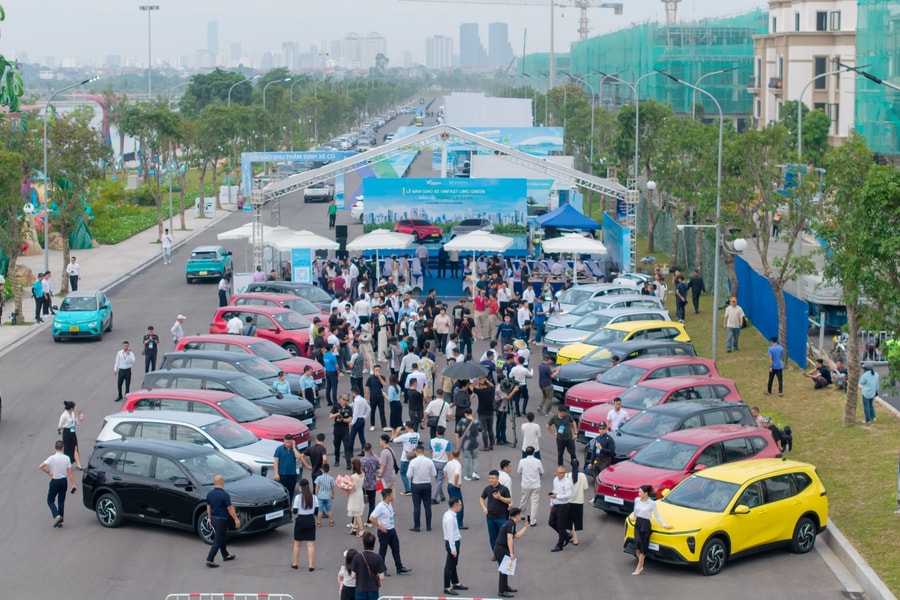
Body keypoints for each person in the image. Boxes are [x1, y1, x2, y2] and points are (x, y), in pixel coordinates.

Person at [368, 488, 413, 575]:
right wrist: (380, 527)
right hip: (384, 532)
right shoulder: (380, 506)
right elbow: (372, 518)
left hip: (392, 529)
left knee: (396, 549)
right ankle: (382, 569)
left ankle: (399, 567)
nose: (393, 496)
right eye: (392, 495)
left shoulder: (389, 504)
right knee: (383, 551)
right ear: (388, 496)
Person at [632, 484, 673, 575]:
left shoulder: (652, 503)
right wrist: (634, 517)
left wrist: (664, 525)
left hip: (645, 524)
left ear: (646, 493)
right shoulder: (637, 500)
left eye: (640, 492)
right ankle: (641, 564)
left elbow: (657, 515)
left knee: (643, 546)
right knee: (637, 545)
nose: (639, 493)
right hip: (638, 523)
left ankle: (638, 568)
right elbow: (635, 510)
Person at [39, 440, 76, 528]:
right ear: (62, 448)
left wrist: (48, 472)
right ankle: (60, 521)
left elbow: (41, 466)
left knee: (50, 500)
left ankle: (57, 516)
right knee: (61, 501)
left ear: (55, 448)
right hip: (63, 481)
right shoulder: (66, 458)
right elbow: (70, 472)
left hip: (55, 481)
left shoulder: (52, 458)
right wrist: (73, 484)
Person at [205, 474, 239, 567]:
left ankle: (225, 555)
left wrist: (209, 518)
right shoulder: (224, 495)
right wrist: (236, 519)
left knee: (222, 537)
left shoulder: (210, 494)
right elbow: (230, 508)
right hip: (222, 519)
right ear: (222, 483)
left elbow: (208, 507)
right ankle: (210, 559)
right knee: (218, 539)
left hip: (214, 519)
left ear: (214, 483)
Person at [494, 507, 529, 598]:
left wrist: (525, 528)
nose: (520, 517)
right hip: (501, 548)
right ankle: (502, 591)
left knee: (505, 569)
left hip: (500, 548)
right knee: (504, 569)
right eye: (520, 515)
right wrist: (511, 552)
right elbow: (510, 539)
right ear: (516, 515)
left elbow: (516, 536)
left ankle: (505, 587)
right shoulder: (511, 524)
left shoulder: (510, 523)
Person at [480, 469, 512, 550]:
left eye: (493, 478)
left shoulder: (504, 489)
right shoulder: (487, 489)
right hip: (490, 517)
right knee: (492, 537)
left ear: (497, 478)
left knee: (503, 536)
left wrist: (500, 497)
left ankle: (505, 551)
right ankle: (496, 552)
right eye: (489, 478)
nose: (491, 480)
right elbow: (481, 498)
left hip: (502, 517)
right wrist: (484, 507)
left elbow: (509, 500)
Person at [407, 444, 437, 531]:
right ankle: (428, 526)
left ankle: (417, 526)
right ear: (423, 452)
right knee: (427, 506)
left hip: (416, 484)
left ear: (416, 452)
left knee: (417, 506)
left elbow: (409, 475)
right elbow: (434, 474)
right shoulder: (429, 461)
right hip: (427, 483)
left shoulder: (413, 462)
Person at [291, 479, 319, 571]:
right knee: (310, 544)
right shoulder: (314, 497)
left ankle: (295, 563)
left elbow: (295, 511)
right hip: (310, 520)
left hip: (301, 520)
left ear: (300, 487)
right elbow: (316, 511)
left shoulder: (298, 497)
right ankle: (311, 565)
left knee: (297, 544)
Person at [442, 497, 468, 596]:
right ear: (455, 505)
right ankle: (447, 587)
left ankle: (455, 582)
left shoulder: (449, 514)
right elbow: (451, 535)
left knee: (454, 564)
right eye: (460, 505)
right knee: (449, 565)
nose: (461, 507)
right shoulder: (450, 518)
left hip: (453, 541)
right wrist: (453, 549)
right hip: (452, 542)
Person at [350, 532, 387, 600]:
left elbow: (353, 576)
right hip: (373, 589)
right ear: (374, 544)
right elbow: (382, 577)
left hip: (360, 589)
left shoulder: (357, 557)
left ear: (364, 543)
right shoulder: (378, 558)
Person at [548, 464, 573, 552]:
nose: (561, 475)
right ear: (556, 472)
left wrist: (557, 497)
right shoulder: (555, 480)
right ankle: (566, 535)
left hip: (563, 505)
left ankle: (560, 545)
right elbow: (553, 491)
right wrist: (551, 502)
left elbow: (568, 495)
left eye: (562, 473)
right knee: (551, 522)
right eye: (559, 473)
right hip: (556, 504)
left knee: (561, 525)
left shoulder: (567, 482)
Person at [392, 421, 421, 495]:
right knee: (413, 473)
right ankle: (413, 488)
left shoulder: (405, 436)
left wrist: (397, 432)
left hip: (405, 457)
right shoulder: (417, 435)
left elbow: (394, 440)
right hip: (414, 455)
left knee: (403, 473)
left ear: (407, 427)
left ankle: (407, 490)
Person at [517, 446, 543, 526]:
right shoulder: (538, 461)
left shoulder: (522, 461)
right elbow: (541, 471)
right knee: (534, 503)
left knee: (523, 500)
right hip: (535, 484)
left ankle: (521, 513)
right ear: (534, 452)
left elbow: (519, 471)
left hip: (525, 484)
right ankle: (533, 520)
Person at [566, 459, 589, 545]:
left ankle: (575, 538)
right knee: (576, 521)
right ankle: (573, 537)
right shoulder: (582, 476)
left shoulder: (568, 476)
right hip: (579, 501)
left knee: (569, 521)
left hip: (569, 501)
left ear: (571, 466)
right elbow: (585, 488)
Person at [456, 408, 483, 481]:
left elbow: (457, 429)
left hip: (466, 444)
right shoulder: (477, 422)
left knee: (466, 459)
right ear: (472, 413)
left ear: (465, 414)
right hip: (475, 443)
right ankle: (475, 473)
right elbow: (481, 429)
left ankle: (468, 475)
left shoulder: (462, 421)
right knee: (475, 458)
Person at [57, 401, 84, 470]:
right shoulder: (64, 415)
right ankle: (67, 464)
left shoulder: (72, 413)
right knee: (67, 449)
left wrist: (78, 418)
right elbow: (60, 425)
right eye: (73, 407)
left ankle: (78, 464)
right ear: (71, 408)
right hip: (67, 432)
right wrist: (61, 431)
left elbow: (74, 422)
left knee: (75, 447)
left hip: (72, 431)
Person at [330, 394, 354, 469]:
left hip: (345, 429)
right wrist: (337, 414)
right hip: (337, 429)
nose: (344, 401)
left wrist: (343, 419)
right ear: (340, 399)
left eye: (345, 400)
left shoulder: (349, 408)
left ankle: (348, 463)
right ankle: (337, 460)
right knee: (337, 445)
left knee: (347, 446)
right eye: (343, 400)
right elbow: (330, 416)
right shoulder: (335, 407)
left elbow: (350, 419)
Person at [430, 425, 451, 503]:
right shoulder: (446, 443)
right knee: (440, 481)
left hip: (434, 461)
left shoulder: (432, 441)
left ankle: (442, 496)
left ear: (436, 432)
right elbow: (448, 454)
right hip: (443, 462)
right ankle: (433, 497)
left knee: (438, 480)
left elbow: (431, 451)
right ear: (444, 433)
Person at [360, 443, 381, 521]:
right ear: (371, 449)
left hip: (363, 484)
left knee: (360, 503)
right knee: (372, 503)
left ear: (363, 450)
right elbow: (379, 470)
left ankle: (355, 521)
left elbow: (360, 472)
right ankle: (370, 520)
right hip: (373, 483)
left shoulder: (362, 460)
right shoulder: (375, 459)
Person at [347, 458, 366, 536]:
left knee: (356, 513)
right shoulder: (363, 474)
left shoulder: (353, 476)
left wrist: (347, 488)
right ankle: (354, 528)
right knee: (356, 511)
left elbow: (353, 487)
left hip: (355, 494)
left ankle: (362, 529)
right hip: (360, 493)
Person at [350, 387, 370, 455]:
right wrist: (364, 416)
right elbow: (369, 409)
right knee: (361, 436)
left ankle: (350, 452)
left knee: (352, 436)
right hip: (362, 419)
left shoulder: (356, 401)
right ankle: (364, 451)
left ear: (354, 393)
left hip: (357, 420)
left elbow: (355, 413)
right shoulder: (363, 399)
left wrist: (353, 422)